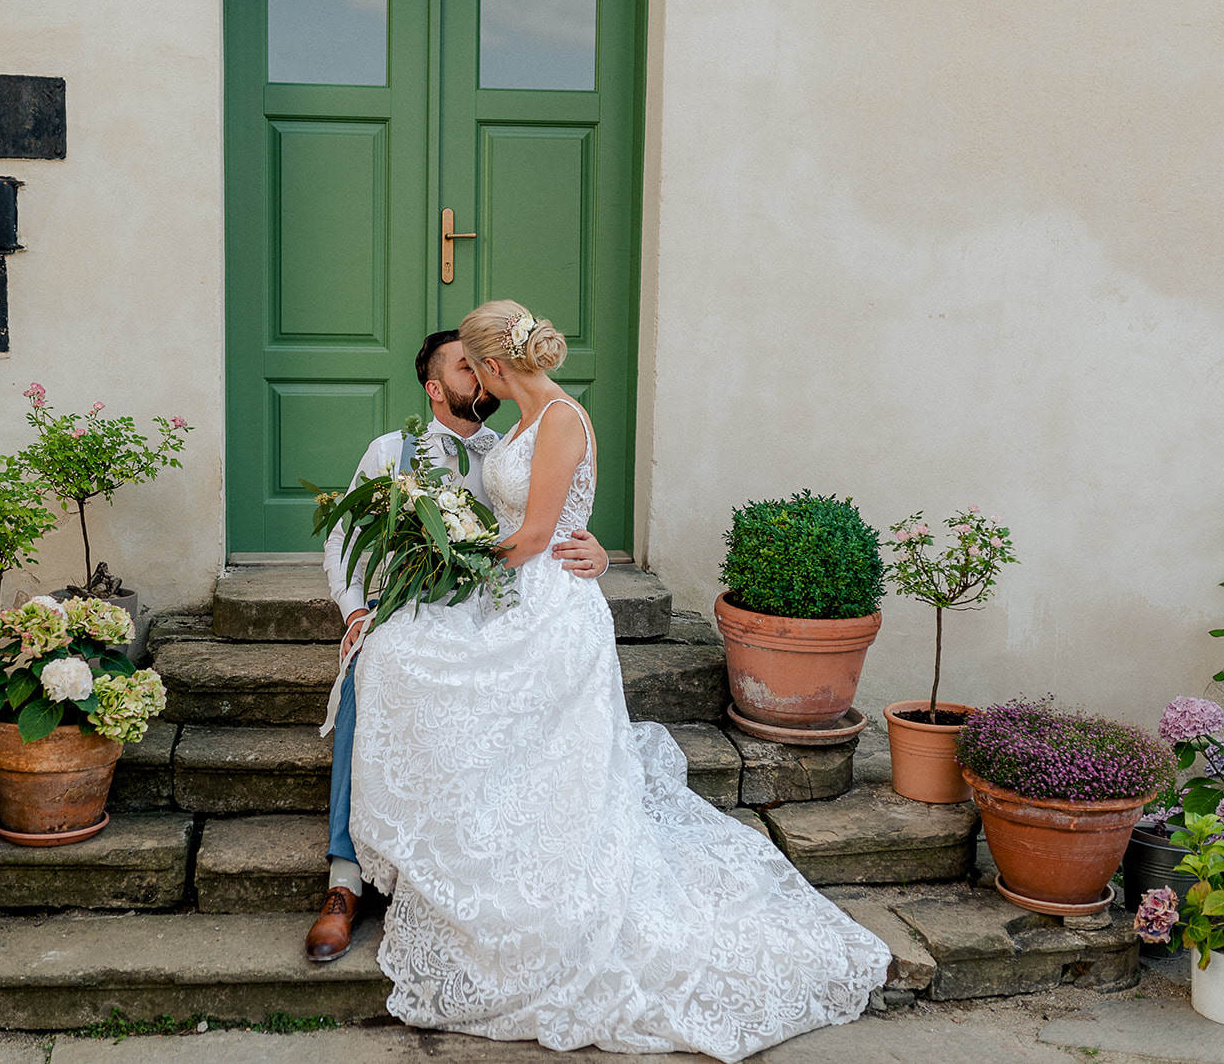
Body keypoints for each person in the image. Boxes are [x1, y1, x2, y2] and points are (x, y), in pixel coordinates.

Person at [345, 301, 890, 1061]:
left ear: (494, 366)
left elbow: (536, 536)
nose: (477, 380)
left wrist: (449, 563)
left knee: (444, 679)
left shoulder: (561, 419)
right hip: (517, 592)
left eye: (477, 366)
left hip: (547, 605)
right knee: (399, 652)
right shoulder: (524, 423)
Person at [307, 328, 610, 962]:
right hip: (412, 605)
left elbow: (547, 520)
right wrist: (356, 610)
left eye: (481, 365)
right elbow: (343, 539)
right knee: (374, 663)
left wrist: (595, 551)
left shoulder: (513, 445)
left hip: (492, 607)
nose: (481, 375)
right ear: (435, 388)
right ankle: (344, 879)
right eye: (465, 368)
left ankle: (461, 862)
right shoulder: (391, 450)